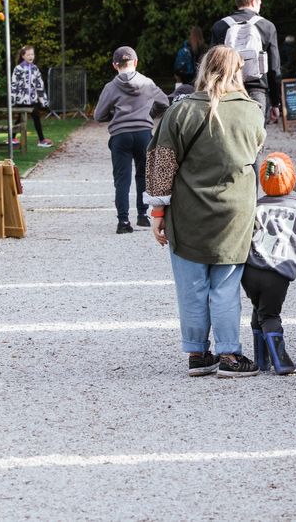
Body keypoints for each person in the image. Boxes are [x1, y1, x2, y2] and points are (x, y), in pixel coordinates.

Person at [146, 45, 264, 377]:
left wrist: (157, 214)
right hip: (233, 211)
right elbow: (255, 148)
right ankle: (229, 355)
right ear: (237, 72)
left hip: (187, 212)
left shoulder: (180, 111)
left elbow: (162, 165)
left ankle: (197, 353)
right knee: (225, 284)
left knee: (191, 286)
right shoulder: (250, 110)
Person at [245, 153, 296, 376]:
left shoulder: (255, 206)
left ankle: (261, 359)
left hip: (249, 269)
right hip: (277, 272)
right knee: (270, 315)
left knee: (260, 308)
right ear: (292, 178)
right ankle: (282, 363)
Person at [95, 46, 170, 234]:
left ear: (115, 65)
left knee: (122, 178)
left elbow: (98, 115)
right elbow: (164, 103)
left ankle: (123, 221)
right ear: (135, 62)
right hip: (143, 133)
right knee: (143, 175)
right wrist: (150, 113)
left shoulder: (111, 87)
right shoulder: (147, 83)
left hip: (120, 135)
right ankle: (143, 215)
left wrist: (113, 116)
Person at [209, 0, 283, 124]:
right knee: (256, 140)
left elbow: (211, 66)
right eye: (260, 3)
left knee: (229, 137)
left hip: (227, 91)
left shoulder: (220, 26)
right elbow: (274, 69)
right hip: (257, 91)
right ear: (254, 2)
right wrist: (275, 103)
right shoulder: (267, 26)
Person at [8, 46, 52, 148]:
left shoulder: (35, 68)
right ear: (23, 56)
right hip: (21, 100)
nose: (31, 56)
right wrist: (12, 100)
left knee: (36, 118)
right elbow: (14, 85)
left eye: (32, 54)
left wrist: (43, 100)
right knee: (19, 119)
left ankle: (41, 140)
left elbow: (39, 85)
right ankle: (12, 138)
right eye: (28, 54)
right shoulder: (18, 69)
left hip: (33, 100)